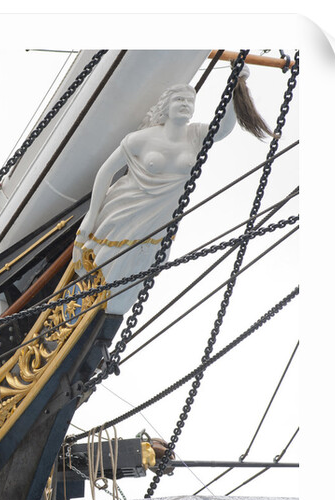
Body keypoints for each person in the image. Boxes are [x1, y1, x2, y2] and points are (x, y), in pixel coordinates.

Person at [72, 66, 265, 315]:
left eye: (189, 101)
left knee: (135, 274)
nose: (185, 104)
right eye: (179, 100)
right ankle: (86, 311)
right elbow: (106, 172)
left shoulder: (196, 135)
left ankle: (106, 314)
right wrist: (91, 215)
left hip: (159, 221)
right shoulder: (142, 139)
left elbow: (224, 128)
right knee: (105, 266)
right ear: (166, 104)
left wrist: (236, 84)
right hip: (124, 213)